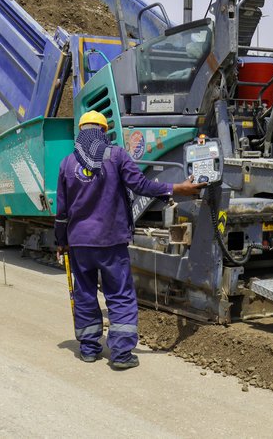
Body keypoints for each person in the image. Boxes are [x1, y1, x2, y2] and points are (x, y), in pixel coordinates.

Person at [54, 110, 204, 370]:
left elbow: (62, 211)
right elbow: (141, 185)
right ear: (104, 132)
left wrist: (60, 241)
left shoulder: (67, 163)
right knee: (120, 294)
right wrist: (177, 188)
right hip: (111, 241)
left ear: (80, 132)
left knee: (85, 293)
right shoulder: (116, 156)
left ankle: (89, 348)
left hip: (80, 243)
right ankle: (121, 354)